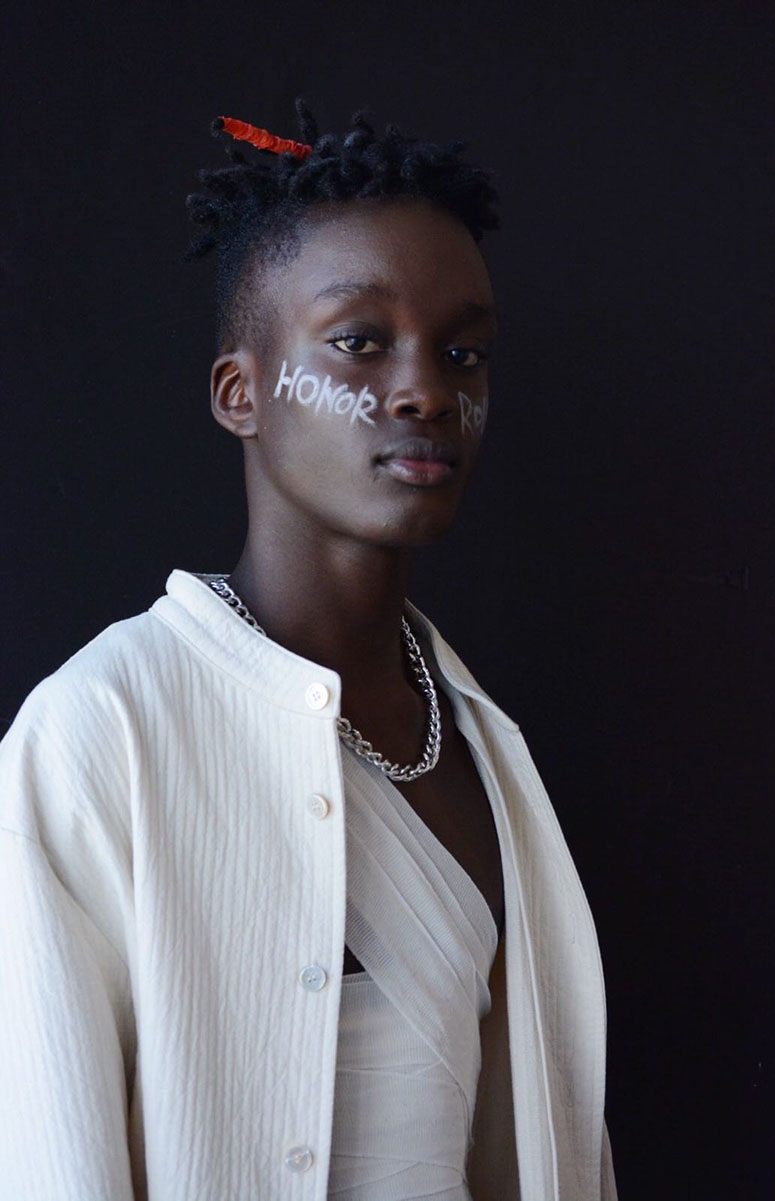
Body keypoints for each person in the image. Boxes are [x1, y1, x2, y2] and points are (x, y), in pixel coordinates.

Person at [0, 102, 617, 1200]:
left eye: (463, 353)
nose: (426, 390)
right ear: (240, 393)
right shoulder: (101, 729)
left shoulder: (482, 746)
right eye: (360, 341)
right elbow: (54, 1157)